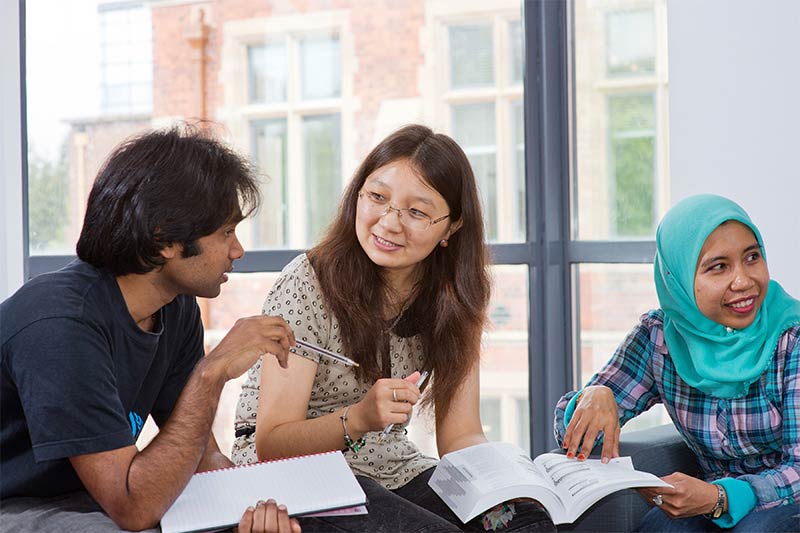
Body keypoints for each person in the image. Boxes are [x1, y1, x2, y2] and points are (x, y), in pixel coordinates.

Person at [231, 124, 555, 532]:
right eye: (378, 197)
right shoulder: (308, 282)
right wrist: (360, 418)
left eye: (416, 212)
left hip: (392, 468)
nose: (388, 222)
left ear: (451, 228)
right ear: (358, 194)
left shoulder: (456, 295)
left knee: (524, 520)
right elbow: (272, 443)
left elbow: (461, 435)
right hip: (297, 477)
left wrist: (504, 483)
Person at [0, 125, 300, 533]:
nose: (238, 251)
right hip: (18, 504)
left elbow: (200, 458)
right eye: (226, 232)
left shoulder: (175, 308)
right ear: (164, 240)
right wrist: (212, 373)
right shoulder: (62, 325)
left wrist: (257, 505)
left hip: (91, 499)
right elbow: (133, 508)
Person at [554, 194, 800, 532]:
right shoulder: (661, 337)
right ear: (678, 276)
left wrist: (722, 496)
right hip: (711, 502)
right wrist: (594, 396)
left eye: (752, 257)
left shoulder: (792, 338)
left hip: (787, 500)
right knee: (661, 528)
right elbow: (574, 434)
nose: (743, 281)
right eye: (719, 267)